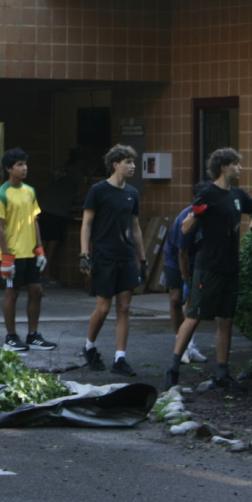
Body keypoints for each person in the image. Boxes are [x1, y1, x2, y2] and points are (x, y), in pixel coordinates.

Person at [165, 148, 252, 391]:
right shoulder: (207, 193)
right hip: (209, 267)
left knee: (225, 320)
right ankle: (172, 369)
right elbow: (185, 228)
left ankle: (222, 374)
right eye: (237, 164)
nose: (241, 168)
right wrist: (196, 214)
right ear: (224, 167)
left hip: (230, 266)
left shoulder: (237, 194)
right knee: (194, 316)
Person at [78, 145, 147, 375]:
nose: (133, 166)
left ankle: (120, 358)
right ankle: (89, 346)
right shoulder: (98, 190)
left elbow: (135, 227)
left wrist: (143, 258)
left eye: (133, 162)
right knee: (104, 308)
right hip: (104, 256)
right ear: (115, 164)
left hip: (126, 256)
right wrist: (84, 254)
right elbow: (86, 224)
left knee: (125, 307)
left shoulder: (132, 193)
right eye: (128, 161)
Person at [0, 148, 55, 352]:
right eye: (19, 165)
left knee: (36, 290)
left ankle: (33, 335)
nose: (24, 168)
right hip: (14, 254)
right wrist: (6, 257)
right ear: (9, 169)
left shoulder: (30, 191)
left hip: (30, 252)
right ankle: (11, 337)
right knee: (12, 292)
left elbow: (34, 220)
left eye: (25, 164)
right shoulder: (2, 194)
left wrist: (40, 249)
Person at [162, 182, 209, 366]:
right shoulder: (186, 217)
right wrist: (185, 279)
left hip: (197, 259)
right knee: (176, 298)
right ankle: (179, 342)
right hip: (176, 259)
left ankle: (189, 344)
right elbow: (181, 254)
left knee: (191, 301)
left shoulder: (211, 216)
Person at [38, 150, 85, 286]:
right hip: (58, 212)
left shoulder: (59, 170)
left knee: (43, 243)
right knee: (52, 244)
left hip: (45, 209)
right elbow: (84, 191)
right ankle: (46, 275)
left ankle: (38, 275)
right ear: (79, 161)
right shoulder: (75, 174)